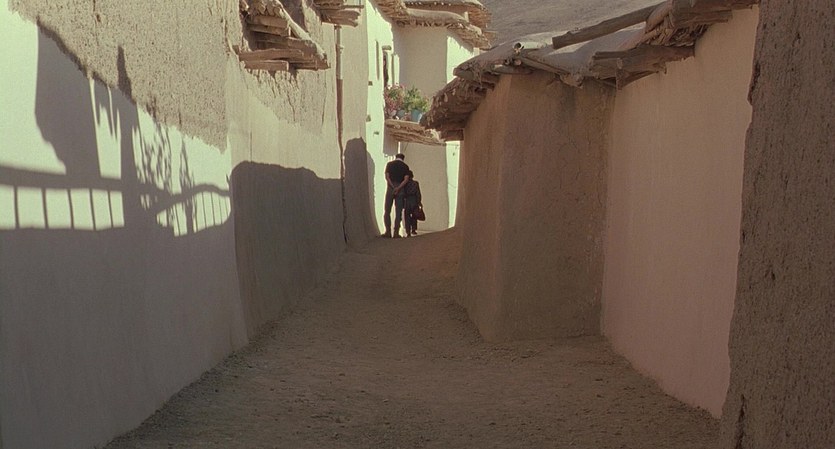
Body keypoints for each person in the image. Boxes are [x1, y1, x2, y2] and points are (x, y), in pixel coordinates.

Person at [382, 153, 409, 238]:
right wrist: (398, 188)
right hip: (400, 189)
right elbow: (406, 179)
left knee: (387, 210)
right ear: (403, 159)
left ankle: (388, 232)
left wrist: (393, 187)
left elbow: (387, 177)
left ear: (396, 157)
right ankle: (396, 233)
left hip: (390, 188)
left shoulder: (389, 164)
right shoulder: (405, 166)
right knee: (398, 212)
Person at [403, 170, 422, 236]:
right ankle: (413, 229)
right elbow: (418, 193)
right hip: (414, 200)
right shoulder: (415, 183)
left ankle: (408, 231)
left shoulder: (404, 184)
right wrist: (419, 202)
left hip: (407, 200)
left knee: (407, 216)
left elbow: (403, 193)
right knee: (414, 215)